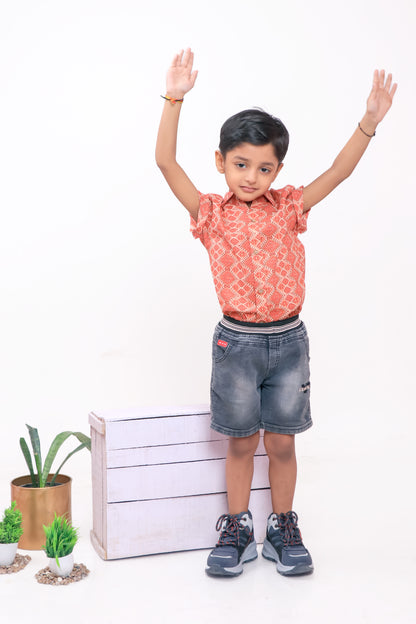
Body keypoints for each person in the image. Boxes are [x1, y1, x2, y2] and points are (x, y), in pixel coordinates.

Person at [155, 48, 397, 578]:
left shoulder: (288, 206)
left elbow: (338, 172)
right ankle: (237, 527)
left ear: (278, 171)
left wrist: (368, 123)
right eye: (241, 164)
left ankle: (283, 524)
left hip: (288, 344)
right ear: (220, 161)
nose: (251, 177)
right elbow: (165, 163)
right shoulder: (209, 214)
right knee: (240, 442)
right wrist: (174, 97)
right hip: (236, 345)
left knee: (282, 442)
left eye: (265, 168)